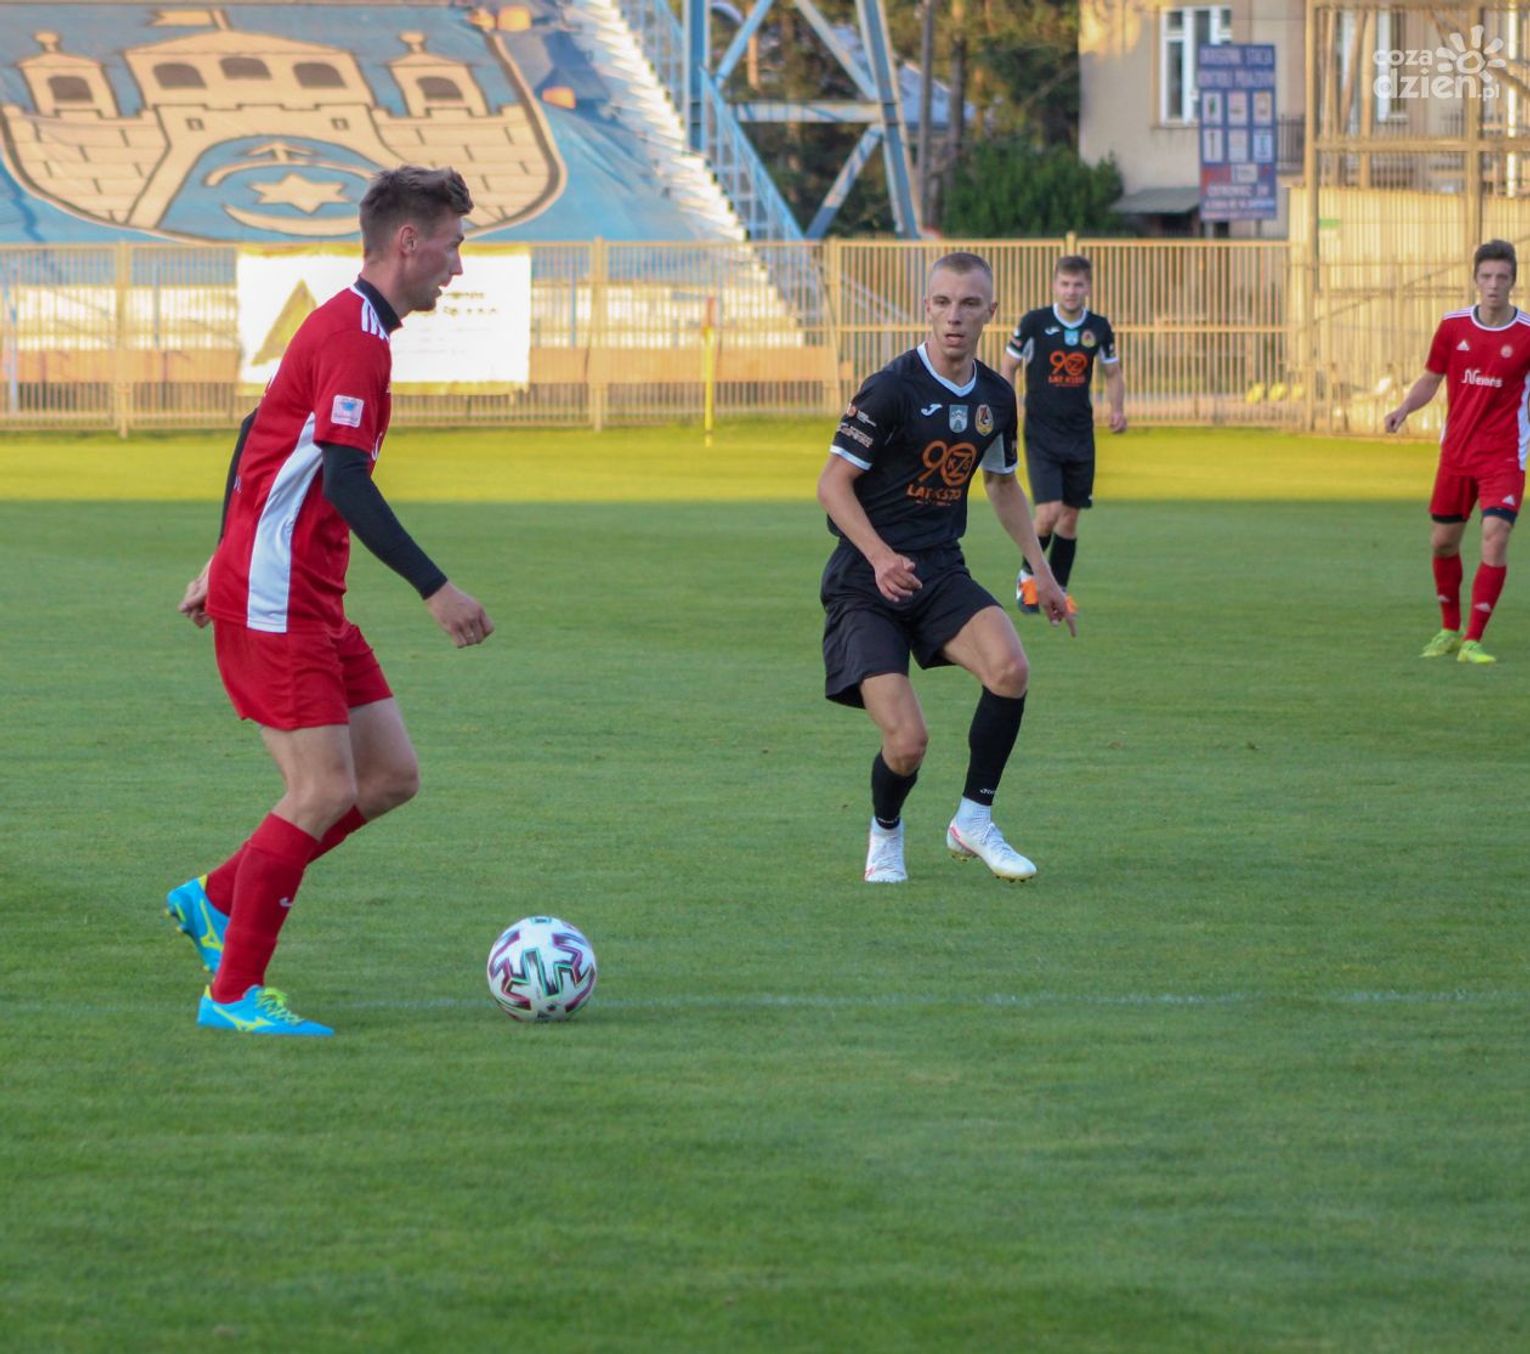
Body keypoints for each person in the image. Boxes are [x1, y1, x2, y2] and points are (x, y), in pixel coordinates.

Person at [168, 165, 494, 1036]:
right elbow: (346, 479)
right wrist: (436, 588)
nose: (458, 267)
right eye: (454, 246)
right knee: (319, 789)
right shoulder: (352, 335)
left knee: (388, 778)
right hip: (276, 597)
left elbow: (258, 429)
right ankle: (232, 996)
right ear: (409, 242)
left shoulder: (357, 327)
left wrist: (221, 549)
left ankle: (216, 897)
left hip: (306, 592)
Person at [816, 250, 1075, 886]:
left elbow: (1002, 484)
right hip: (865, 581)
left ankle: (973, 821)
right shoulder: (890, 389)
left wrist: (1041, 571)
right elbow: (832, 484)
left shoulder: (995, 396)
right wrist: (880, 557)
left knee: (1011, 669)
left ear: (990, 312)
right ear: (926, 307)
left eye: (968, 304)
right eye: (942, 302)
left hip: (937, 569)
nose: (954, 316)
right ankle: (885, 833)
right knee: (908, 743)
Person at [1385, 239, 1530, 665]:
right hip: (1457, 454)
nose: (1493, 284)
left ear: (1513, 281)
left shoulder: (1527, 333)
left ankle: (1473, 639)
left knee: (1495, 534)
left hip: (1504, 455)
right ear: (1475, 279)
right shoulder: (1452, 327)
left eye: (1502, 277)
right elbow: (1431, 378)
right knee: (1443, 543)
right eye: (1486, 276)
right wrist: (1404, 408)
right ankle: (1449, 629)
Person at [1000, 254, 1126, 615]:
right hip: (1042, 431)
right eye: (1065, 284)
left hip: (1080, 434)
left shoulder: (1098, 328)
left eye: (1078, 284)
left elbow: (1113, 373)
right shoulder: (1035, 323)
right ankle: (1027, 578)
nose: (1071, 291)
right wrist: (1006, 408)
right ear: (1055, 285)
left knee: (1070, 516)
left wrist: (1117, 409)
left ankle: (1059, 590)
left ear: (1088, 287)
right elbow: (1008, 365)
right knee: (1048, 513)